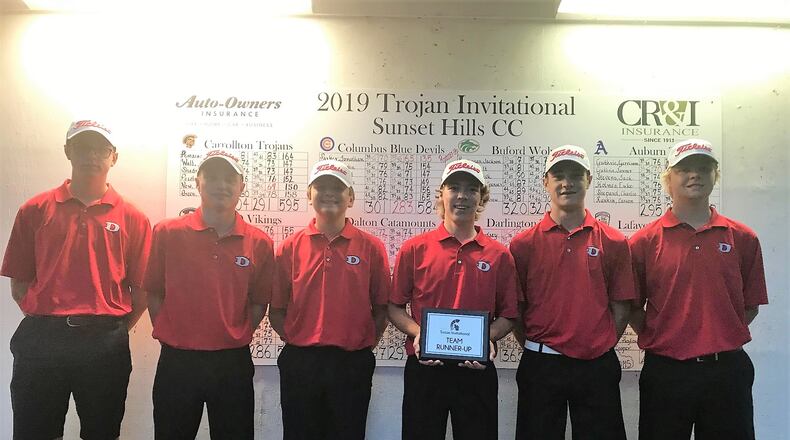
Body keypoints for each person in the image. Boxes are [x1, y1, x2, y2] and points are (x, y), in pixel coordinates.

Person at [2, 119, 151, 440]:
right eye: (83, 147)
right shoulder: (35, 209)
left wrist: (112, 330)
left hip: (104, 344)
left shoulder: (133, 218)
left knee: (102, 432)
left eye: (101, 149)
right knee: (33, 432)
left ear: (114, 157)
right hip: (42, 340)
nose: (92, 156)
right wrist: (49, 318)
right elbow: (19, 284)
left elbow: (141, 291)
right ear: (68, 151)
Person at [630, 139, 768, 440]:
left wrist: (715, 334)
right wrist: (666, 335)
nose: (695, 175)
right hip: (666, 372)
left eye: (704, 168)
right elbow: (631, 307)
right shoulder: (643, 242)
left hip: (727, 372)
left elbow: (751, 305)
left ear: (715, 175)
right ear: (669, 178)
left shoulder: (743, 238)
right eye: (685, 169)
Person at [143, 150, 274, 439]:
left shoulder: (260, 243)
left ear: (242, 186)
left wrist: (233, 333)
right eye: (212, 177)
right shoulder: (167, 233)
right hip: (177, 361)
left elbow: (258, 303)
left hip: (232, 363)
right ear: (197, 182)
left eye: (229, 178)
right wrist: (173, 330)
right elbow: (153, 292)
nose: (221, 185)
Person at [388, 159, 519, 440]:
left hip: (477, 370)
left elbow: (509, 315)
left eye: (472, 189)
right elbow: (394, 306)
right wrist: (418, 333)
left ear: (481, 198)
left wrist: (487, 338)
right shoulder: (415, 249)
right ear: (442, 194)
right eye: (454, 188)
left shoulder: (499, 255)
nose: (462, 196)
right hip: (425, 366)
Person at [510, 145, 634, 440]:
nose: (568, 183)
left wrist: (598, 345)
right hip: (541, 364)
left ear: (588, 179)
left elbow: (621, 306)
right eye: (559, 176)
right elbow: (517, 309)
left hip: (596, 365)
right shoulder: (523, 244)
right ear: (546, 182)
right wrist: (539, 345)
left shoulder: (614, 241)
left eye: (576, 175)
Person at [270, 159, 391, 440]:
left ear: (350, 197)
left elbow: (381, 308)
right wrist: (300, 339)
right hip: (300, 362)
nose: (329, 193)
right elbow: (276, 309)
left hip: (352, 364)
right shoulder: (290, 246)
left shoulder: (372, 247)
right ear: (308, 194)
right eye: (321, 186)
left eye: (337, 187)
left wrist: (361, 345)